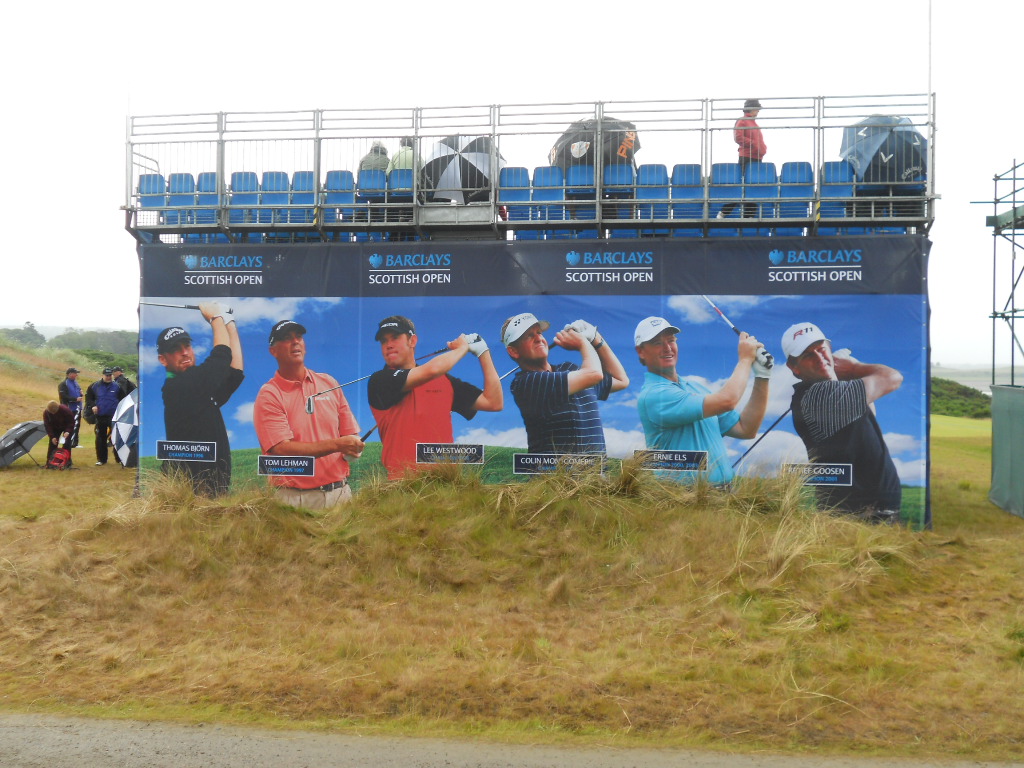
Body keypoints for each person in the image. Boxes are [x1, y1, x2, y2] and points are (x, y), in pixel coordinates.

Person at [781, 322, 904, 523]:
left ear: (829, 348)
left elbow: (870, 414)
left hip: (865, 512)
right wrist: (854, 368)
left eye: (821, 349)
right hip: (858, 516)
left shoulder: (826, 393)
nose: (819, 357)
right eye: (808, 355)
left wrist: (839, 375)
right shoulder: (820, 395)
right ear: (794, 367)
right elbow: (892, 378)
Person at [634, 316, 770, 485]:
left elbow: (745, 429)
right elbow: (728, 400)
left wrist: (762, 376)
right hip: (682, 496)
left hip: (724, 492)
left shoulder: (696, 388)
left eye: (671, 340)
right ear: (641, 351)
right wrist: (745, 359)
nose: (667, 348)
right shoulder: (654, 395)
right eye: (657, 343)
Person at [368, 316, 503, 480]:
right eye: (383, 341)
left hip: (446, 482)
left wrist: (483, 353)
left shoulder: (444, 381)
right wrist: (462, 349)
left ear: (412, 340)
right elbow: (432, 370)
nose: (388, 345)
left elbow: (493, 402)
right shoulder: (379, 380)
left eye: (395, 337)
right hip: (402, 484)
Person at [254, 320, 364, 510]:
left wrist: (353, 445)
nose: (295, 341)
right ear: (273, 351)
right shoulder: (269, 394)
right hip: (293, 499)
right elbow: (281, 449)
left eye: (299, 337)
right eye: (286, 338)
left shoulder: (329, 382)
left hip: (340, 493)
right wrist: (338, 445)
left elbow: (350, 433)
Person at [502, 313, 629, 454]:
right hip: (554, 469)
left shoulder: (570, 369)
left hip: (596, 468)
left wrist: (596, 338)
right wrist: (583, 343)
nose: (538, 338)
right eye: (529, 336)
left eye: (539, 332)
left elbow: (621, 380)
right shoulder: (526, 383)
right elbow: (594, 374)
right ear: (513, 351)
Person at [157, 301, 244, 496]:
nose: (184, 352)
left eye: (187, 345)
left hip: (213, 489)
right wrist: (215, 318)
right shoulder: (176, 387)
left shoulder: (200, 389)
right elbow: (221, 358)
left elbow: (234, 373)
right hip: (190, 492)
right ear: (163, 359)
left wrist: (229, 322)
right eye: (175, 349)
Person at [719, 98, 767, 220]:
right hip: (747, 157)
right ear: (752, 108)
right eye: (757, 108)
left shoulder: (753, 123)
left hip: (756, 157)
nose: (758, 111)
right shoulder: (743, 121)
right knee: (745, 185)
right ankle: (725, 211)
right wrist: (754, 144)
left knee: (753, 185)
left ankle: (749, 215)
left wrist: (762, 148)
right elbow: (738, 137)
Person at [85, 367, 125, 466]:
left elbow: (123, 399)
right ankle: (102, 459)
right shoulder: (94, 386)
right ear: (102, 375)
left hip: (114, 416)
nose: (108, 377)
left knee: (116, 437)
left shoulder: (117, 386)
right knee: (100, 438)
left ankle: (120, 459)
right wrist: (93, 406)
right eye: (107, 375)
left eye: (110, 375)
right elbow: (88, 398)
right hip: (100, 416)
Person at [43, 400, 77, 468]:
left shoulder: (65, 410)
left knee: (67, 443)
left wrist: (67, 431)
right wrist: (52, 436)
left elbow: (71, 422)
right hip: (55, 428)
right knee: (53, 443)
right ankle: (50, 462)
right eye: (51, 413)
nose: (53, 414)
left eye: (54, 412)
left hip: (66, 426)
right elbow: (47, 426)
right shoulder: (46, 413)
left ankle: (67, 462)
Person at [57, 367, 83, 448]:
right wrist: (75, 399)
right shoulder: (64, 384)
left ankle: (74, 442)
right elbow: (63, 396)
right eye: (75, 373)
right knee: (69, 426)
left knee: (76, 425)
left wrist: (81, 394)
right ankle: (68, 442)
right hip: (69, 408)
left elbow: (78, 393)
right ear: (70, 374)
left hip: (77, 408)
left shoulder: (76, 383)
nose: (76, 375)